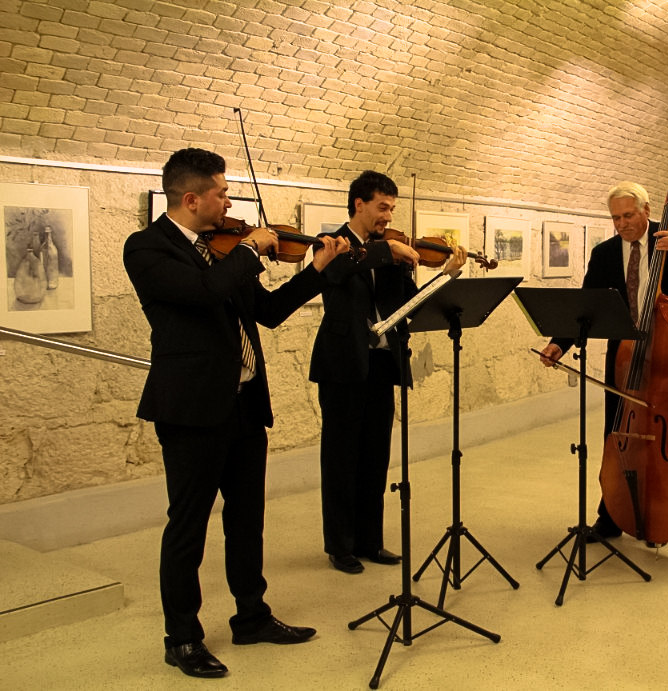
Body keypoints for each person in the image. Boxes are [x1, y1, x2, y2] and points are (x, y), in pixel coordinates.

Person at [123, 148, 352, 678]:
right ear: (191, 198)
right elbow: (204, 295)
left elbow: (267, 312)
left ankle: (252, 616)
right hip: (192, 410)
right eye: (222, 193)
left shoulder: (220, 250)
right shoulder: (148, 248)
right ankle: (182, 637)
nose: (229, 203)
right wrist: (250, 248)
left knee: (247, 520)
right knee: (188, 526)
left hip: (245, 405)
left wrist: (316, 269)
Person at [539, 181, 668, 540]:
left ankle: (663, 507)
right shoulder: (605, 253)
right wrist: (559, 344)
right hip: (626, 353)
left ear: (646, 210)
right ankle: (612, 515)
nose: (622, 224)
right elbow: (588, 304)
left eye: (628, 215)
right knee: (619, 432)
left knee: (667, 429)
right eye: (616, 218)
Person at [309, 170, 467, 574]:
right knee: (341, 458)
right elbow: (336, 273)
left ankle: (369, 540)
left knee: (375, 456)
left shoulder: (392, 255)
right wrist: (387, 251)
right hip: (342, 366)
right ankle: (340, 545)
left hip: (381, 364)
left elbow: (411, 305)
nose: (388, 216)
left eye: (392, 209)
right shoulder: (332, 243)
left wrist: (446, 277)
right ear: (359, 204)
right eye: (382, 207)